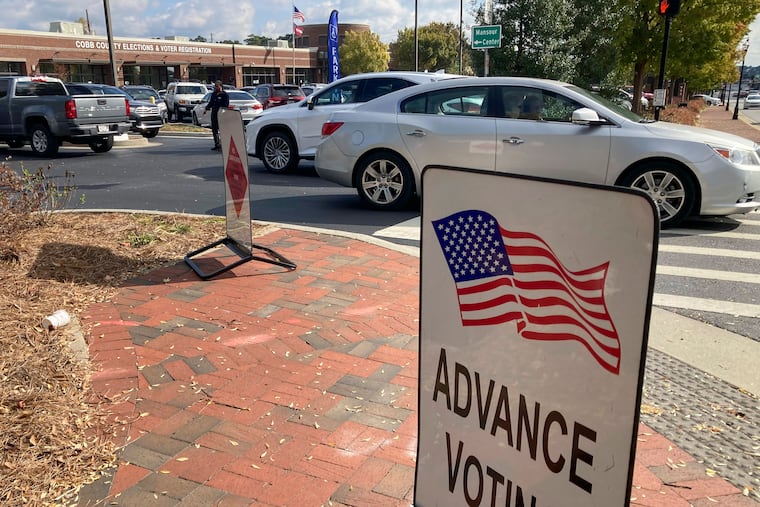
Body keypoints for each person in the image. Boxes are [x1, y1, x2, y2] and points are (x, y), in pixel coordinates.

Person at [205, 80, 229, 150]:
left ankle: (224, 144)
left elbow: (226, 105)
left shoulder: (225, 95)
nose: (215, 88)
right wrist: (207, 108)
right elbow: (211, 103)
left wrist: (222, 111)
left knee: (222, 130)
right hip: (214, 114)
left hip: (221, 115)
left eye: (217, 86)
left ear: (221, 86)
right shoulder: (214, 94)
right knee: (214, 130)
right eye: (215, 86)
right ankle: (217, 144)